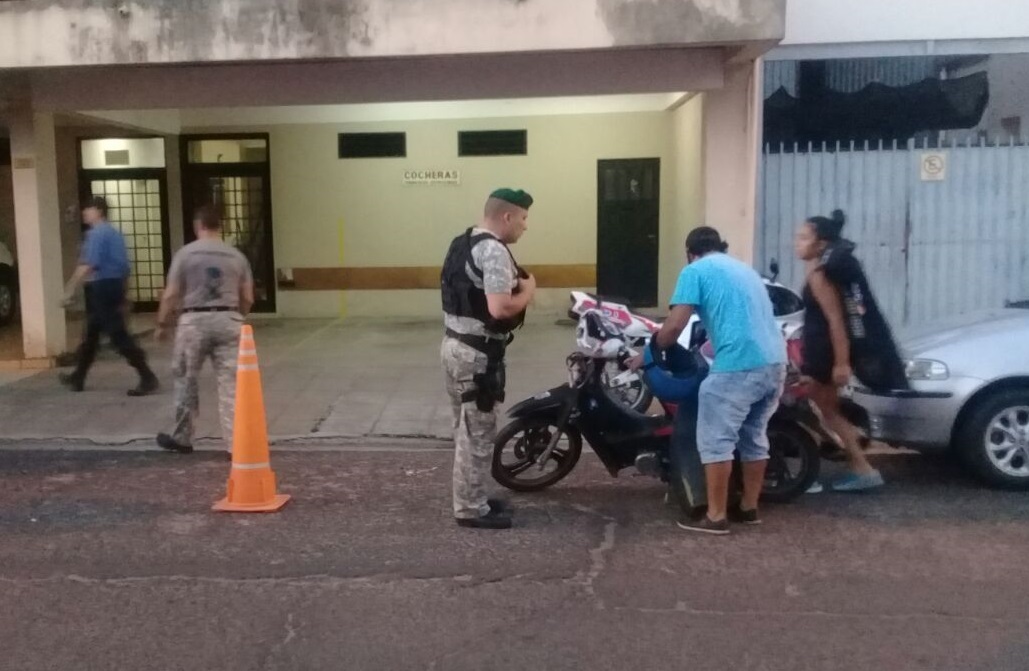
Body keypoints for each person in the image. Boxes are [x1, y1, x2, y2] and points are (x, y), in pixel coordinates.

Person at [636, 227, 786, 535]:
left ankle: (716, 517)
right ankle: (748, 508)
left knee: (716, 441)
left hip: (738, 366)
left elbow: (674, 326)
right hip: (775, 363)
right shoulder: (745, 270)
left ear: (689, 252)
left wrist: (649, 352)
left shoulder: (695, 270)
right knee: (754, 437)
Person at [440, 188, 536, 530]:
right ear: (507, 216)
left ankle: (473, 497)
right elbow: (500, 308)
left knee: (465, 430)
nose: (525, 226)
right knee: (477, 434)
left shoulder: (462, 242)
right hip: (477, 356)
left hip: (454, 346)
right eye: (523, 218)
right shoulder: (493, 250)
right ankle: (470, 509)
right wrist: (529, 290)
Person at [795, 209, 907, 491]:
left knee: (827, 410)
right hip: (820, 351)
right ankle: (852, 448)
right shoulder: (816, 268)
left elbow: (837, 320)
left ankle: (861, 466)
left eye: (804, 238)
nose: (797, 243)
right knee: (825, 409)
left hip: (825, 354)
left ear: (821, 243)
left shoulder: (821, 275)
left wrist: (842, 363)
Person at [154, 205, 254, 456]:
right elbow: (248, 297)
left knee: (186, 380)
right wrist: (237, 316)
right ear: (220, 226)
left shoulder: (185, 254)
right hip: (229, 319)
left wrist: (162, 323)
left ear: (198, 226)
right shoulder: (237, 256)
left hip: (193, 321)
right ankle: (235, 444)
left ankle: (183, 437)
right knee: (231, 384)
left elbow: (171, 293)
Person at [59, 196, 159, 396]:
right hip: (114, 285)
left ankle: (147, 376)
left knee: (117, 333)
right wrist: (125, 293)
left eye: (88, 209)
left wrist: (70, 288)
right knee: (92, 333)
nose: (84, 212)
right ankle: (78, 376)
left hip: (103, 286)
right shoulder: (115, 233)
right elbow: (125, 267)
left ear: (99, 211)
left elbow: (88, 264)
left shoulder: (97, 234)